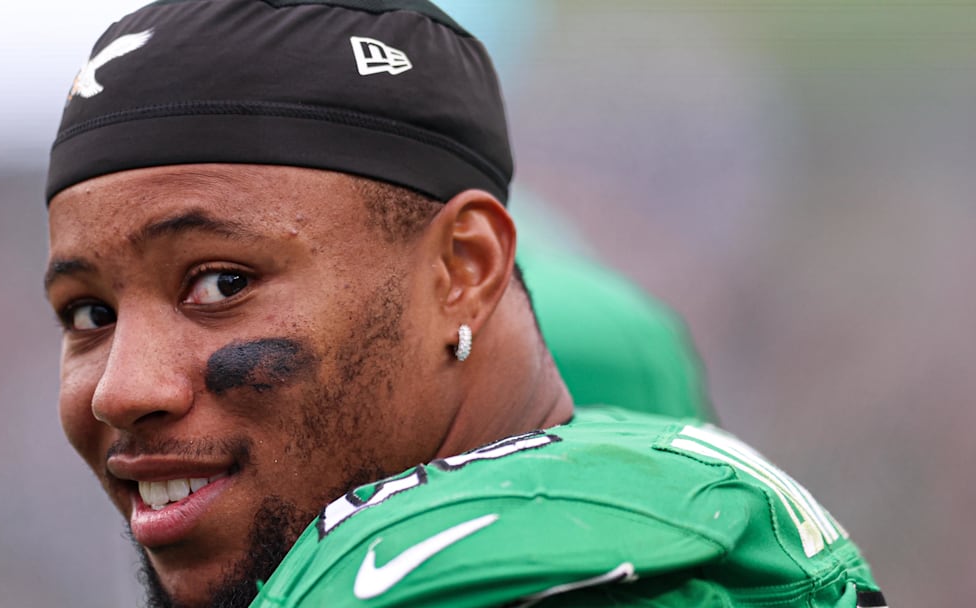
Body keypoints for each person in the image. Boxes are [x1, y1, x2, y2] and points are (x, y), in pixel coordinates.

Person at [43, 1, 884, 606]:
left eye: (222, 283)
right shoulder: (657, 487)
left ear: (463, 270)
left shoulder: (484, 578)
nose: (121, 389)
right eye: (89, 313)